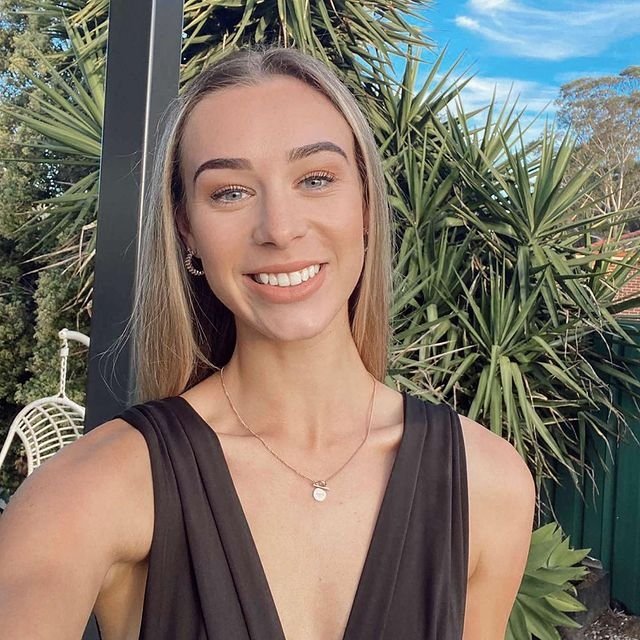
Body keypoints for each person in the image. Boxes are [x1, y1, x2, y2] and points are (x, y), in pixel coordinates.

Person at [0, 46, 536, 639]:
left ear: (365, 203)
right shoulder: (92, 491)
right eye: (229, 192)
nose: (279, 228)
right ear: (186, 228)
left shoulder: (488, 484)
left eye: (316, 179)